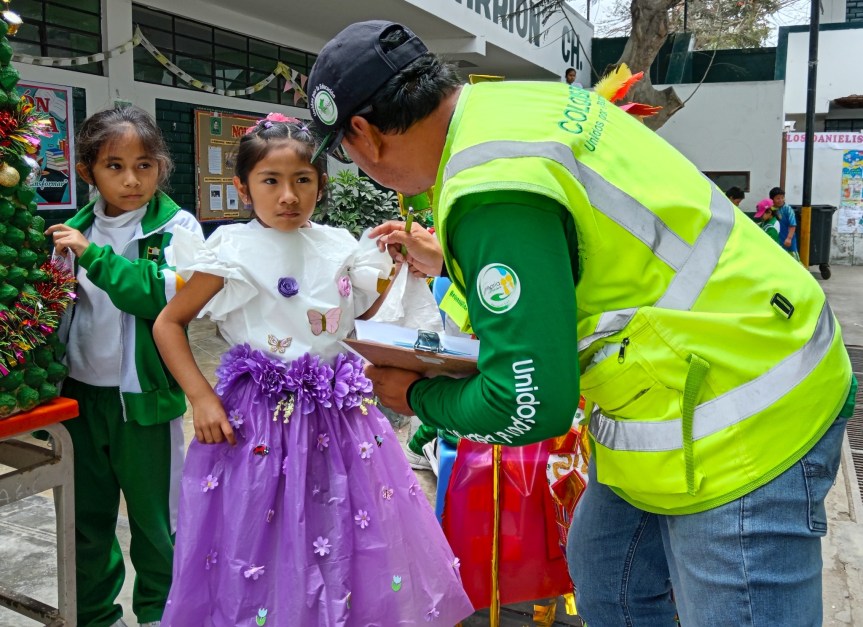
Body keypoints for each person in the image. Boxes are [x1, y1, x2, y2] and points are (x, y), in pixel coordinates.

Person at [306, 20, 857, 626]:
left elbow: (529, 403)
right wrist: (448, 261)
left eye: (340, 153)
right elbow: (571, 242)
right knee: (607, 576)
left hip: (745, 417)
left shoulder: (491, 189)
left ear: (362, 133)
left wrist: (416, 395)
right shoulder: (505, 105)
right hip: (694, 381)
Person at [152, 115, 473, 626]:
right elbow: (169, 323)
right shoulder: (230, 250)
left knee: (343, 525)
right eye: (270, 181)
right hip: (257, 420)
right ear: (242, 186)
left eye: (302, 180)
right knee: (261, 531)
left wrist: (396, 274)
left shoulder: (339, 245)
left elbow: (358, 321)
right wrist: (202, 398)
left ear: (321, 185)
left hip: (339, 419)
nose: (288, 196)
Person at [45, 106, 202, 627]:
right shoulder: (73, 231)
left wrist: (93, 257)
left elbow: (160, 297)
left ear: (161, 167)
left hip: (145, 402)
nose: (131, 180)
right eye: (114, 166)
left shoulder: (178, 228)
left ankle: (161, 615)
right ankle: (93, 615)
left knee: (157, 524)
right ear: (89, 170)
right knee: (85, 520)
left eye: (144, 165)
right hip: (79, 401)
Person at [769, 186, 799, 258]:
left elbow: (793, 225)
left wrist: (789, 238)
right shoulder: (771, 208)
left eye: (782, 197)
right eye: (778, 198)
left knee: (793, 259)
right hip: (777, 239)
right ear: (772, 199)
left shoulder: (788, 209)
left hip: (788, 239)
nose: (781, 200)